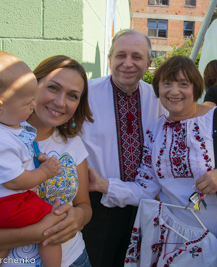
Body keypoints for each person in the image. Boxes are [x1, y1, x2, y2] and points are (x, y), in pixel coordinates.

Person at [88, 55, 217, 266]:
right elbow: (145, 190)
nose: (174, 91)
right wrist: (103, 185)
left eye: (183, 84)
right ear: (158, 89)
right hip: (176, 244)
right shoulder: (155, 131)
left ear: (195, 89)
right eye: (167, 83)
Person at [0, 55, 93, 267]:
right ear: (32, 85)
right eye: (53, 88)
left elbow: (84, 205)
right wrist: (34, 233)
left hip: (73, 259)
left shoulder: (73, 144)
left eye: (72, 96)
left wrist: (78, 218)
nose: (60, 102)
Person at [0, 50, 63, 267]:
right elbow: (15, 181)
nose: (32, 106)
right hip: (3, 205)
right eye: (27, 103)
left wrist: (36, 156)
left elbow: (19, 143)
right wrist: (45, 172)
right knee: (53, 225)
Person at [81, 29, 167, 267]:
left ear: (148, 63)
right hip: (97, 205)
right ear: (110, 59)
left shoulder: (158, 99)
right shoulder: (85, 94)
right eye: (121, 55)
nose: (128, 63)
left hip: (144, 207)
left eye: (137, 57)